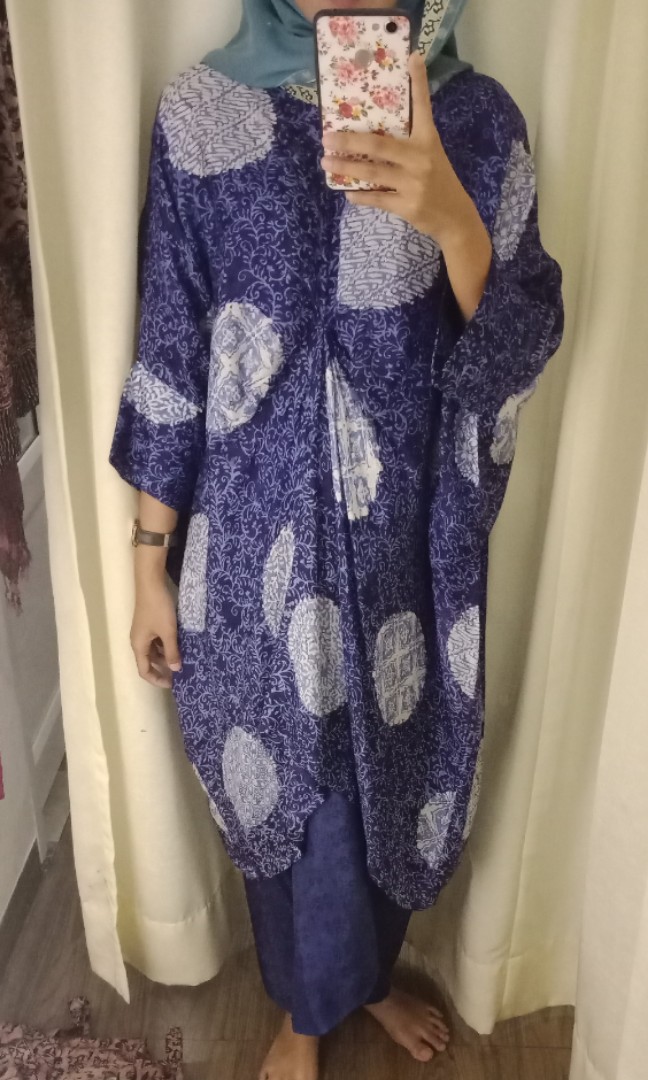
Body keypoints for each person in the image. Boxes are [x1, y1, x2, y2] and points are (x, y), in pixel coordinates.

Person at [109, 1, 564, 1077]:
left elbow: (522, 340)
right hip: (250, 557)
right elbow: (172, 350)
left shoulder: (477, 119)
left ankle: (364, 983)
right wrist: (147, 561)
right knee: (289, 808)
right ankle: (306, 1017)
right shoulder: (201, 114)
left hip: (406, 551)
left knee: (385, 796)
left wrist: (455, 223)